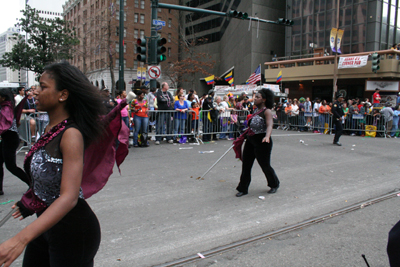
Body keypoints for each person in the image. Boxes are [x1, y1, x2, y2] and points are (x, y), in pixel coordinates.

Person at [0, 62, 132, 267]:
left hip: (73, 231)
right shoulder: (50, 129)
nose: (35, 91)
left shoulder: (70, 134)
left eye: (43, 87)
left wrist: (20, 239)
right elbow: (47, 177)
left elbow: (69, 197)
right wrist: (29, 201)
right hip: (46, 225)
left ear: (63, 95)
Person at [234, 89, 280, 197]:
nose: (255, 99)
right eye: (255, 97)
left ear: (264, 99)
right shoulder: (255, 111)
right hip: (251, 140)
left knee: (265, 165)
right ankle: (243, 188)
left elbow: (269, 125)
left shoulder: (267, 111)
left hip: (263, 141)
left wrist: (267, 136)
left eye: (258, 97)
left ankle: (274, 184)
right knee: (246, 165)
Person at [0, 89, 29, 195]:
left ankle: (31, 183)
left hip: (10, 138)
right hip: (7, 137)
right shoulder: (5, 106)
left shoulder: (6, 108)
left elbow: (4, 124)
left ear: (3, 97)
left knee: (11, 166)